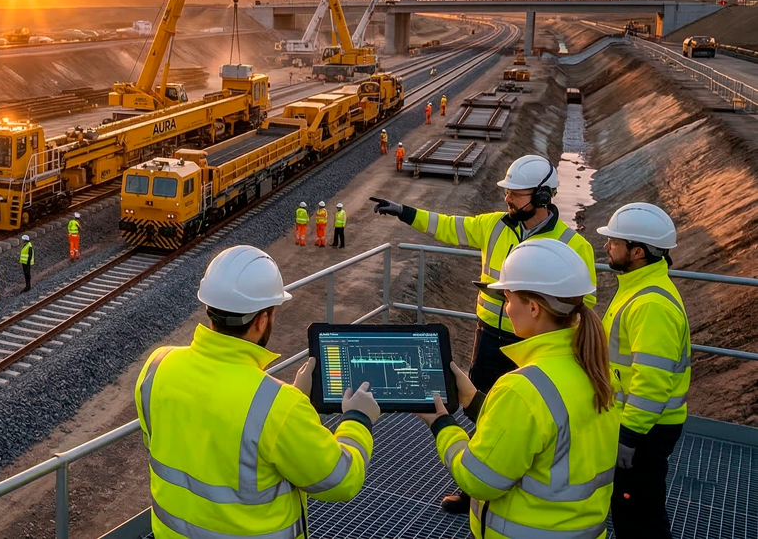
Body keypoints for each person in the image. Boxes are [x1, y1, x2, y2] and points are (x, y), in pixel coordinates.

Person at [372, 153, 598, 513]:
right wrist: (404, 211)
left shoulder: (574, 247)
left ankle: (511, 477)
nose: (507, 199)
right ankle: (474, 485)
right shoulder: (493, 225)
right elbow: (447, 225)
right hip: (489, 337)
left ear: (542, 197)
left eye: (516, 194)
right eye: (507, 192)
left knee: (525, 411)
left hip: (536, 346)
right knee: (484, 409)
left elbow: (582, 303)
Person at [135, 245, 379, 538]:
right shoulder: (277, 407)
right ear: (262, 320)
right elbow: (341, 481)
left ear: (209, 307)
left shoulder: (158, 365)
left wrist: (293, 402)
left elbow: (188, 437)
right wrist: (357, 419)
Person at [415, 239, 618, 539]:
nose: (506, 309)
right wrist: (472, 399)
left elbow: (477, 479)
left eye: (508, 299)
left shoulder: (522, 389)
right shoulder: (598, 370)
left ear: (533, 308)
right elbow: (545, 431)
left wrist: (441, 423)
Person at [597, 203, 689, 539]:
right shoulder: (638, 288)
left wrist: (628, 438)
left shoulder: (651, 305)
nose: (607, 246)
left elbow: (651, 383)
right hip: (639, 423)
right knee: (634, 508)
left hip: (645, 429)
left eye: (614, 242)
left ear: (637, 252)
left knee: (639, 514)